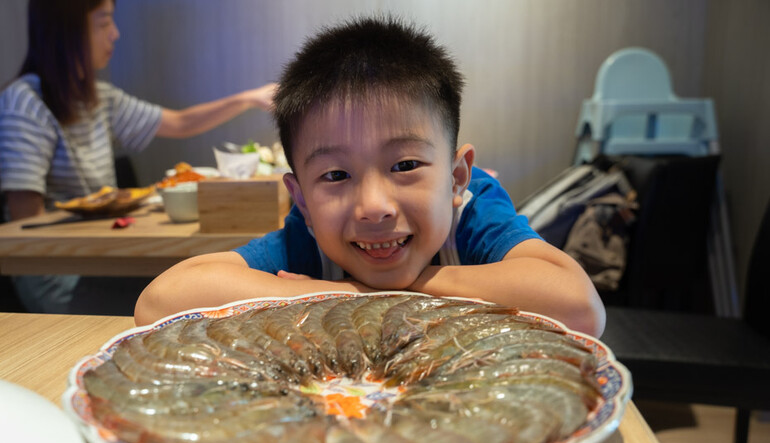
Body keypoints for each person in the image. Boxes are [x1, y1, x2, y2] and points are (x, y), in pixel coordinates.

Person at [135, 16, 605, 338]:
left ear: (457, 176)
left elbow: (578, 306)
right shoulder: (309, 239)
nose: (374, 205)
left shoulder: (473, 211)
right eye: (336, 174)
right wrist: (338, 291)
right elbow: (160, 302)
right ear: (302, 201)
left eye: (405, 165)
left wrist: (378, 290)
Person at [0, 0, 276, 314]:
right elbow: (24, 222)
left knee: (204, 287)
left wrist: (247, 99)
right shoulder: (23, 103)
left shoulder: (97, 98)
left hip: (104, 260)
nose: (115, 34)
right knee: (190, 301)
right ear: (67, 30)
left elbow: (179, 122)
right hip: (59, 276)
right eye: (103, 23)